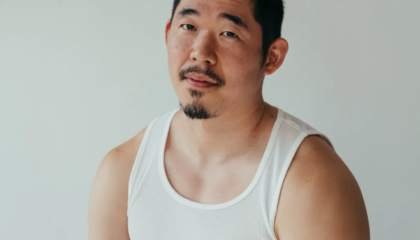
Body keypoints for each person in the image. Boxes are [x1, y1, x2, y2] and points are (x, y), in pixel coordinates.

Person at [88, 0, 370, 239]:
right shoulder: (122, 171)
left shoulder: (310, 182)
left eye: (228, 33)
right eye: (189, 26)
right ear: (167, 34)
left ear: (272, 57)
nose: (200, 52)